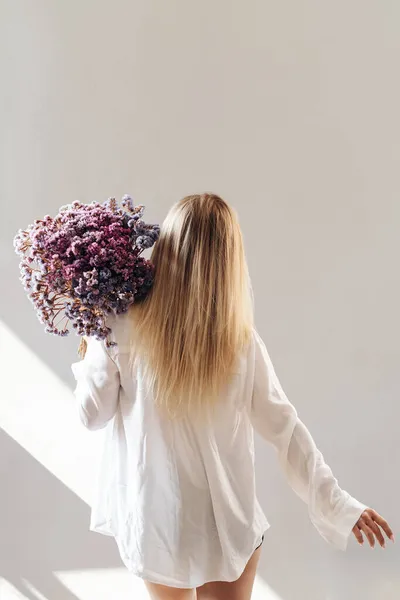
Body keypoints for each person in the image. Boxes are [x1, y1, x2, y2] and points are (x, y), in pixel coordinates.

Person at [72, 194, 394, 600]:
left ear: (168, 246)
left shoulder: (119, 327)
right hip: (225, 523)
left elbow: (91, 416)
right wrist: (338, 504)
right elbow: (286, 429)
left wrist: (91, 343)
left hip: (160, 526)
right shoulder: (238, 342)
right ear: (229, 260)